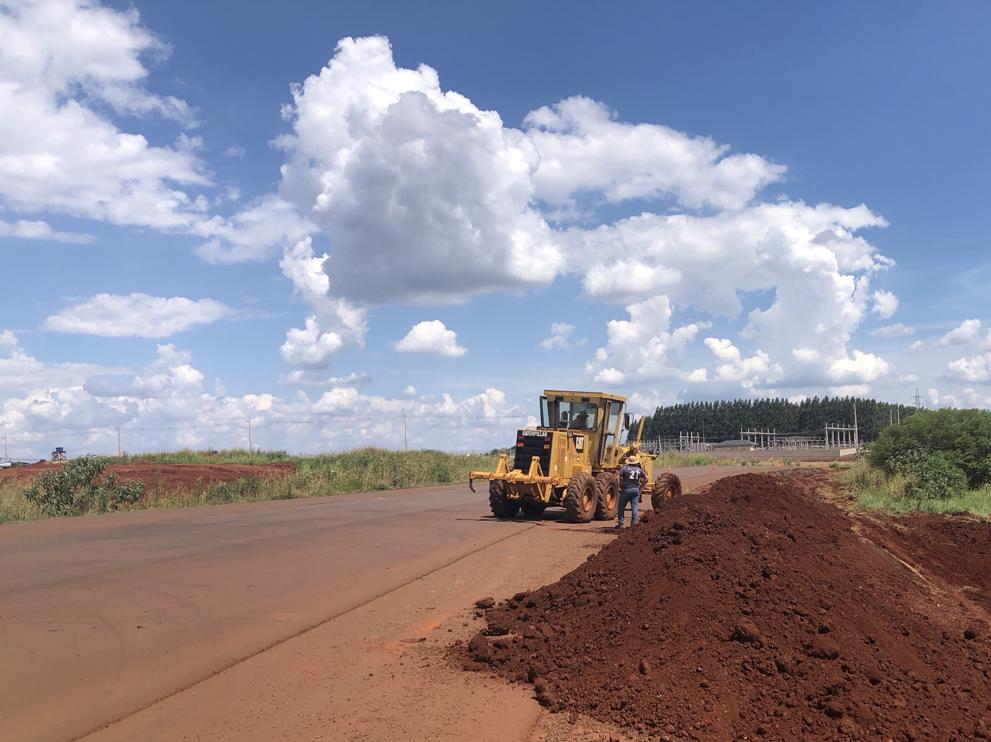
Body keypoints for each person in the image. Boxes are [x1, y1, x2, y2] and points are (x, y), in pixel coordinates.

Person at [616, 454, 646, 528]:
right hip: (635, 490)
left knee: (621, 507)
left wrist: (619, 486)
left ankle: (621, 524)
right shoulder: (639, 469)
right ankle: (634, 524)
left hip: (626, 490)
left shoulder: (624, 468)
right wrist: (640, 487)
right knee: (634, 508)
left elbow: (618, 477)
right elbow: (647, 478)